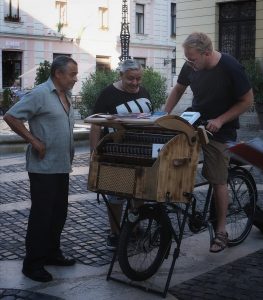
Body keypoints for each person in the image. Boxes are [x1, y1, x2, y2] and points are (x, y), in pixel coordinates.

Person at [164, 32, 253, 253]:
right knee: (170, 156)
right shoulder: (192, 64)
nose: (189, 64)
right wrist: (162, 114)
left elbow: (247, 100)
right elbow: (178, 89)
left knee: (218, 179)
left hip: (221, 130)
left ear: (206, 53)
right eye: (187, 59)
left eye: (192, 59)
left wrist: (221, 120)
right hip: (195, 120)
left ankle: (221, 231)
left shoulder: (231, 67)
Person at [3, 55, 78, 282]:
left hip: (62, 165)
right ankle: (32, 264)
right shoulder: (40, 94)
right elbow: (11, 116)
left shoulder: (67, 95)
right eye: (72, 74)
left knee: (59, 214)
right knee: (42, 216)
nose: (75, 78)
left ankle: (52, 253)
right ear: (58, 74)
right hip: (43, 167)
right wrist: (34, 141)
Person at [89, 59, 152, 250]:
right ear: (121, 76)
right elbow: (95, 125)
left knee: (139, 192)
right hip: (116, 153)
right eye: (130, 79)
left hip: (142, 152)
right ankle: (115, 233)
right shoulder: (108, 94)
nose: (135, 83)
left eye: (138, 79)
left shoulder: (144, 91)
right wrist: (94, 154)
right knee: (116, 194)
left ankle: (135, 226)